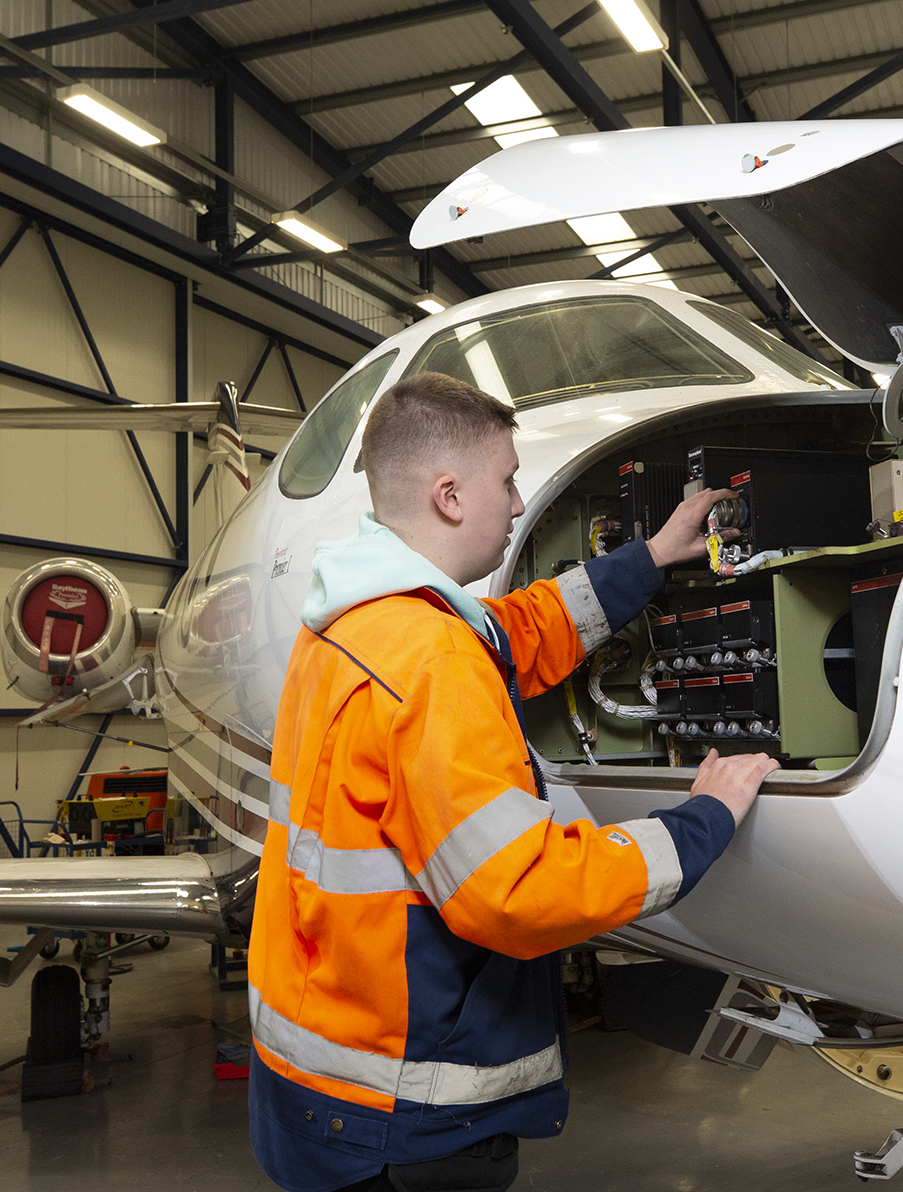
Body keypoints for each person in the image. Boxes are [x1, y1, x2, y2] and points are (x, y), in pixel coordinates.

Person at [249, 371, 777, 1192]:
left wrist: (648, 559)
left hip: (319, 1074)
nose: (520, 499)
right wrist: (701, 821)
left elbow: (516, 632)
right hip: (409, 1112)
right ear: (451, 496)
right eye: (506, 480)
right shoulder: (432, 660)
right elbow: (519, 892)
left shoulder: (356, 625)